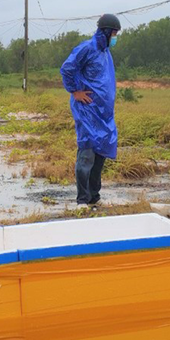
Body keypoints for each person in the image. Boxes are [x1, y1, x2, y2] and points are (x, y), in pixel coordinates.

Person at [60, 14, 120, 207]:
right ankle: (82, 199)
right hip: (87, 111)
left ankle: (94, 196)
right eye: (114, 33)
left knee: (100, 154)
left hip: (103, 114)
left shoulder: (105, 53)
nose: (115, 37)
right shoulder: (87, 48)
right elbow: (67, 68)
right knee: (87, 154)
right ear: (105, 32)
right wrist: (75, 91)